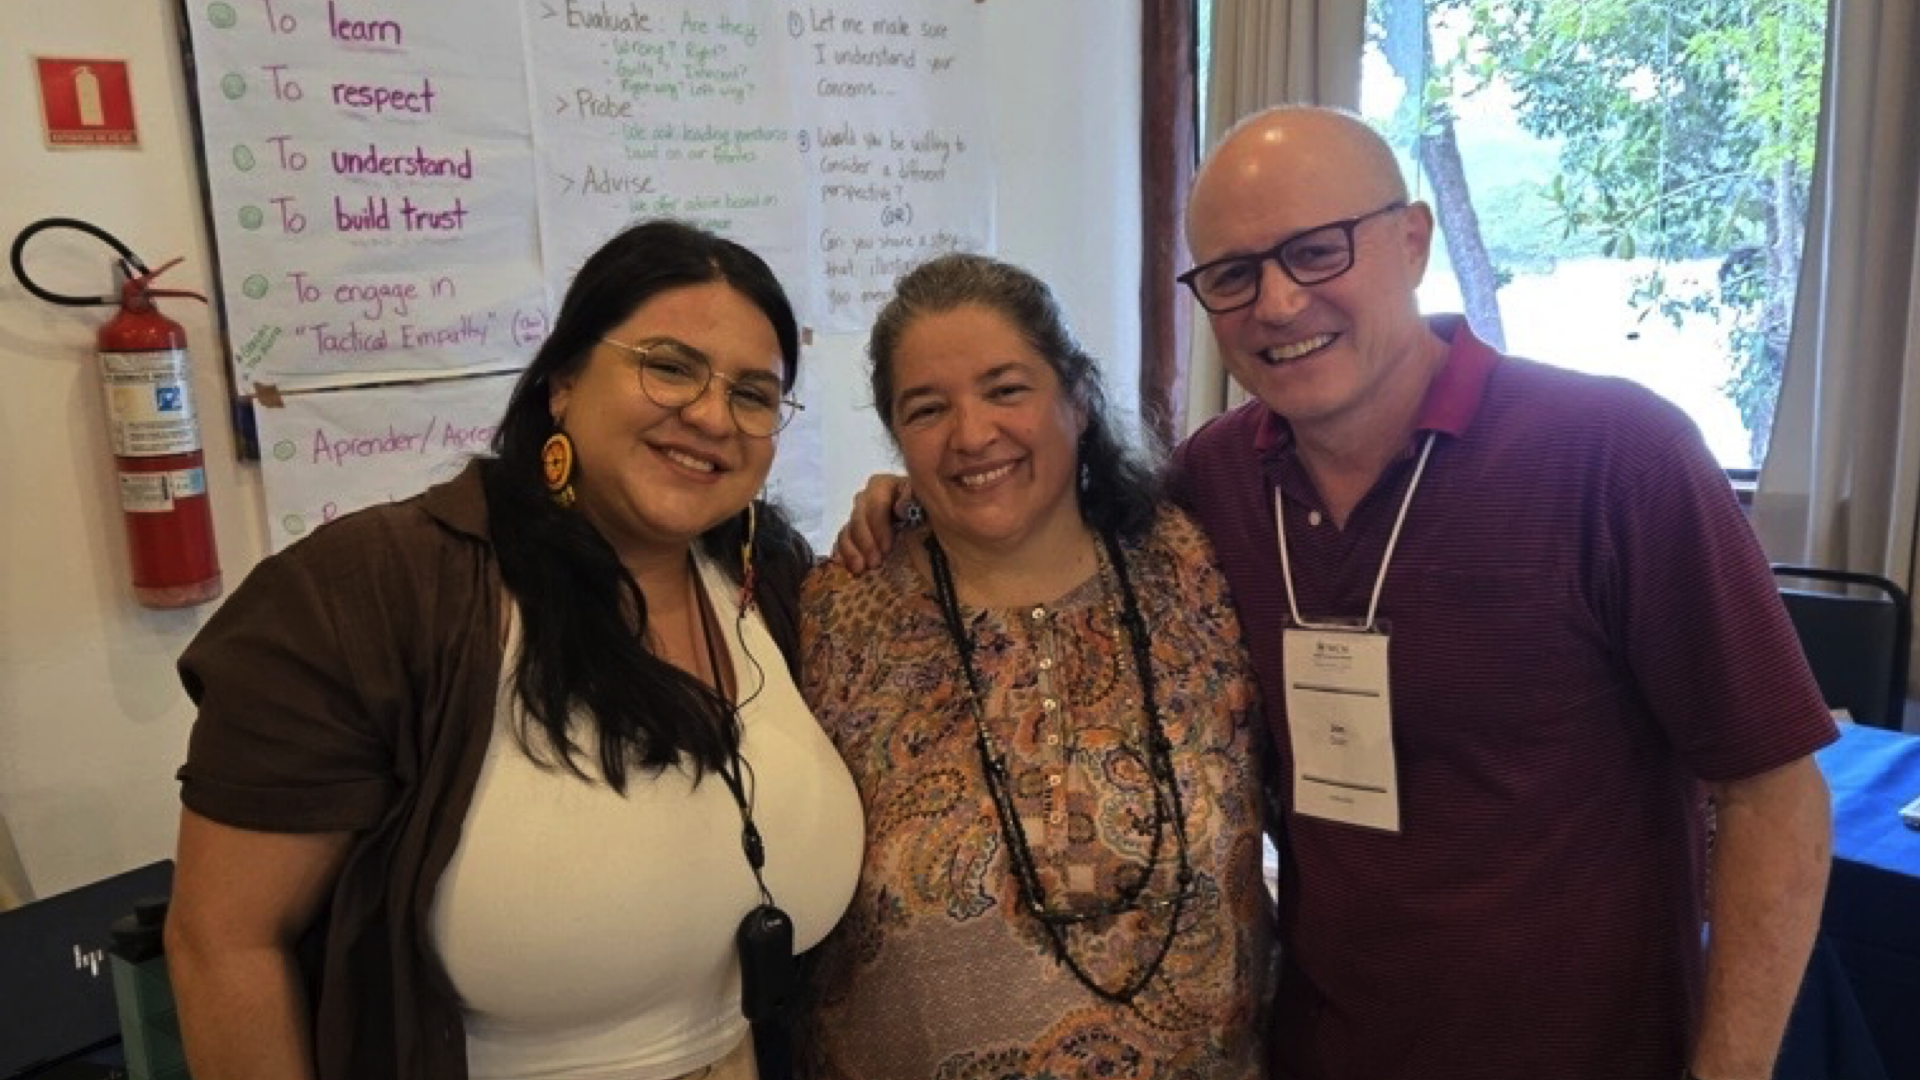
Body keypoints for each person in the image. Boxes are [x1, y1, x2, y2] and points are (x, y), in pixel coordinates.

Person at [837, 106, 1838, 1080]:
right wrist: (918, 504)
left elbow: (1775, 793)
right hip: (1323, 1048)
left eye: (1318, 251)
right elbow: (1043, 512)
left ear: (1411, 241)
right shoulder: (1214, 491)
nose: (1276, 304)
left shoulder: (1616, 455)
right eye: (1233, 275)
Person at [164, 220, 864, 1080]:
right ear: (563, 382)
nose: (713, 415)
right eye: (670, 366)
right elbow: (224, 941)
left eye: (755, 394)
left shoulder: (768, 576)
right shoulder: (377, 592)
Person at [798, 253, 1273, 1079]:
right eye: (927, 408)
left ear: (1077, 397)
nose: (973, 433)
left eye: (1006, 389)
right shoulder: (835, 614)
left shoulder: (1198, 560)